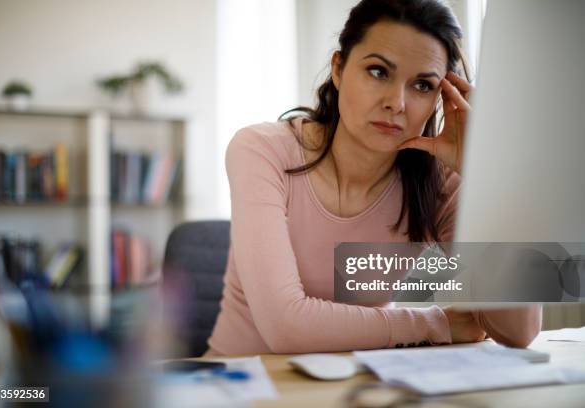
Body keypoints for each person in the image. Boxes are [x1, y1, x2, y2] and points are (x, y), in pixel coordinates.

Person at [205, 0, 541, 356]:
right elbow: (285, 329)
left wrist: (487, 177)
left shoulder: (439, 182)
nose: (397, 102)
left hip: (360, 383)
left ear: (441, 99)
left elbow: (519, 331)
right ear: (338, 68)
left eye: (422, 85)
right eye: (379, 72)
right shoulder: (263, 150)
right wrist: (438, 324)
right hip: (244, 384)